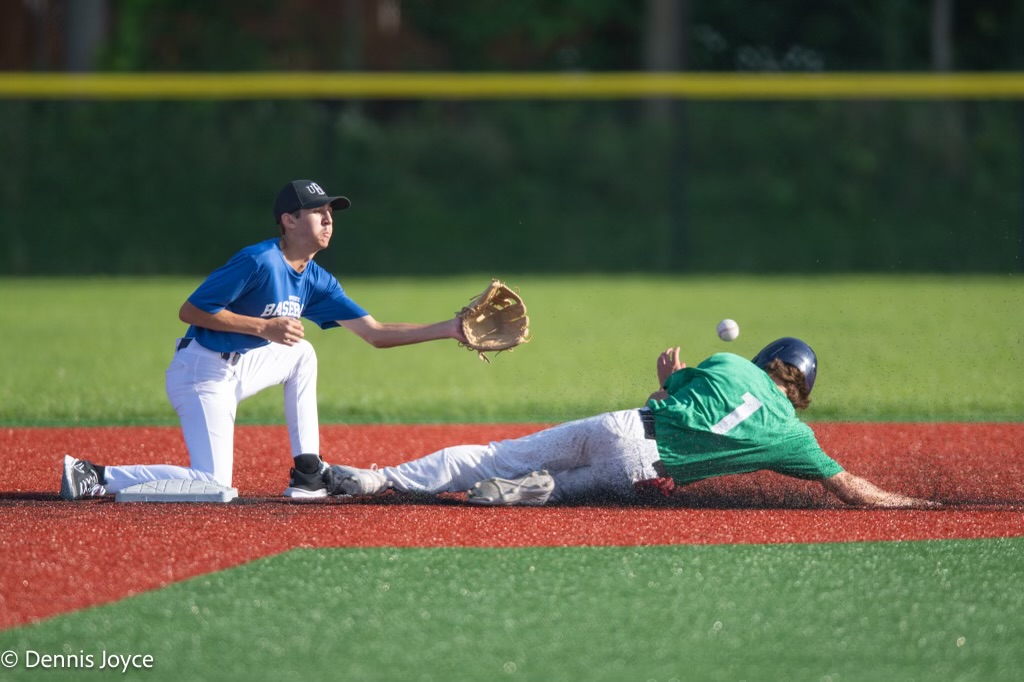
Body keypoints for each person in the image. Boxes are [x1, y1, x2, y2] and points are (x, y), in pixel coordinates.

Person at [60, 179, 466, 501]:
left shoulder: (316, 278)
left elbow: (374, 333)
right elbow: (192, 310)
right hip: (201, 372)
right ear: (289, 221)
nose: (328, 218)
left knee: (302, 354)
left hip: (242, 367)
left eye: (330, 212)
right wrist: (263, 328)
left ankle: (308, 473)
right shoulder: (259, 260)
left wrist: (450, 328)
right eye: (317, 211)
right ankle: (96, 475)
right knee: (214, 484)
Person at [327, 337, 937, 508]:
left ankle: (378, 478)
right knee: (568, 493)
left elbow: (667, 386)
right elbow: (849, 487)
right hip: (644, 467)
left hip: (623, 424)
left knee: (493, 453)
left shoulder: (728, 361)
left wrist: (668, 373)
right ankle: (538, 493)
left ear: (763, 363)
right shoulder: (796, 438)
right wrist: (910, 505)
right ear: (800, 394)